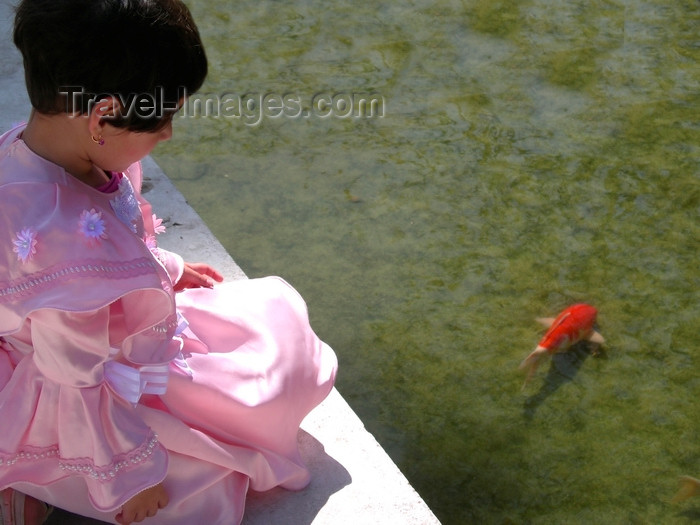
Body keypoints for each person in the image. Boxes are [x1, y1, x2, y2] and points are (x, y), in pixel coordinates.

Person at [0, 0, 338, 524]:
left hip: (71, 343)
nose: (167, 135)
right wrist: (128, 479)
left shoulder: (26, 149)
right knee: (208, 482)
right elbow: (74, 380)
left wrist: (165, 271)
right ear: (103, 117)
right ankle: (32, 475)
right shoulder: (69, 258)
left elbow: (115, 231)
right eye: (162, 119)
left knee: (274, 327)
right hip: (68, 380)